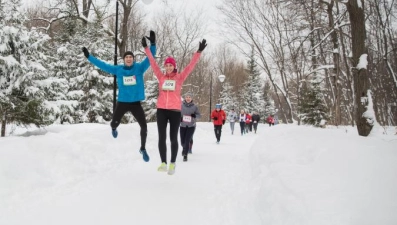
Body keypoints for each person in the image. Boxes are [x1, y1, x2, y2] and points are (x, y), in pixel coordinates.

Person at [82, 31, 156, 163]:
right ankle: (114, 128)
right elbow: (103, 65)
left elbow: (151, 59)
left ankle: (143, 148)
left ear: (133, 59)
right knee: (114, 123)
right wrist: (89, 57)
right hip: (122, 102)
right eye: (126, 57)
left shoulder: (139, 68)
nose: (129, 59)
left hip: (135, 103)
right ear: (124, 59)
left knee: (144, 127)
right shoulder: (118, 69)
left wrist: (153, 44)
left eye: (130, 57)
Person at [143, 37, 207, 175]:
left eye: (170, 65)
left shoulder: (179, 77)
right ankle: (163, 163)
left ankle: (172, 163)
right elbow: (153, 63)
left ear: (174, 66)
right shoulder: (161, 76)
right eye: (166, 65)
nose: (168, 67)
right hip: (161, 110)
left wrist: (199, 52)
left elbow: (191, 66)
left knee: (173, 138)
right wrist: (147, 49)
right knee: (161, 137)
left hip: (175, 111)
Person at [180, 92, 201, 162]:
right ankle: (184, 148)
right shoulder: (181, 105)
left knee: (187, 140)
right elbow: (177, 114)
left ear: (191, 98)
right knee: (182, 141)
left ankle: (185, 155)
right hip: (182, 125)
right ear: (185, 98)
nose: (188, 98)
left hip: (191, 126)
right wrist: (179, 118)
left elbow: (199, 116)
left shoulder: (195, 106)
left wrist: (195, 116)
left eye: (189, 97)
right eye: (187, 97)